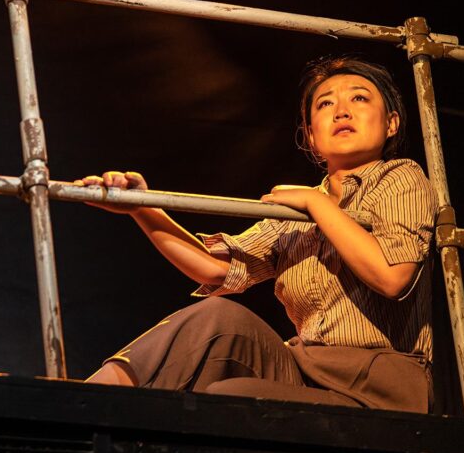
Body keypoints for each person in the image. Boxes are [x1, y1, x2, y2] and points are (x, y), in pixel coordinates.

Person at [75, 57, 437, 413]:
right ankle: (83, 401)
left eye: (359, 98)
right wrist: (143, 208)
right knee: (217, 316)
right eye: (325, 103)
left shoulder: (400, 178)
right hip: (305, 371)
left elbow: (392, 276)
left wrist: (317, 204)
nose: (341, 111)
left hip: (378, 388)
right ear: (311, 135)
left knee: (229, 396)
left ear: (391, 123)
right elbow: (216, 269)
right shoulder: (294, 215)